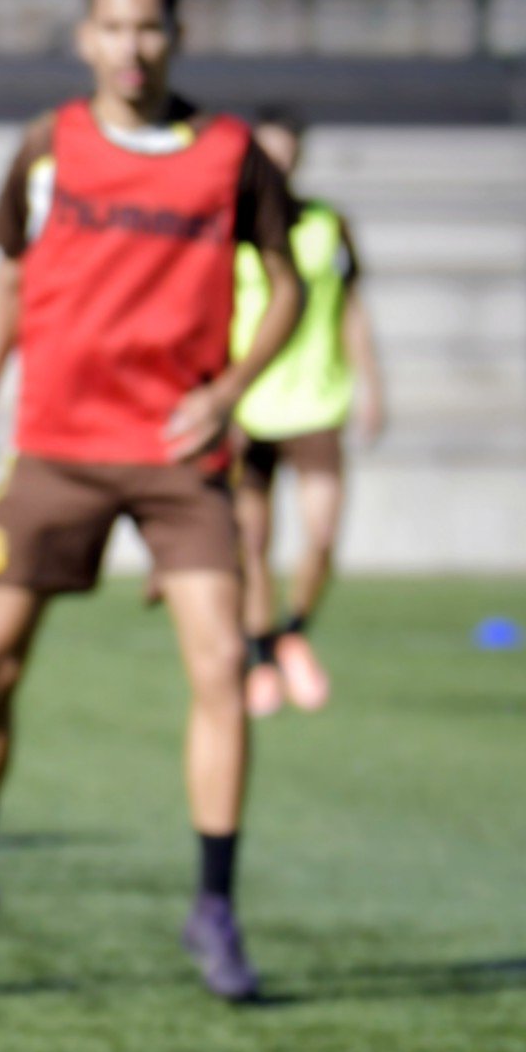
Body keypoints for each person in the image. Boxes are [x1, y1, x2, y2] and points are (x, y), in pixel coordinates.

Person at [0, 0, 301, 1002]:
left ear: (175, 35)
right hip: (54, 447)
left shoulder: (230, 153)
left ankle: (215, 906)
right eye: (113, 28)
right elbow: (9, 280)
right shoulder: (49, 145)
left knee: (221, 671)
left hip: (180, 461)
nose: (132, 47)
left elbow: (290, 284)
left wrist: (230, 391)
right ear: (84, 39)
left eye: (149, 28)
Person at [228, 108, 383, 717]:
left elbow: (352, 309)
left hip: (316, 403)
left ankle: (293, 632)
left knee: (321, 534)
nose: (278, 163)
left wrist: (373, 384)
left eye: (286, 151)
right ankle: (262, 656)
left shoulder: (327, 225)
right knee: (253, 541)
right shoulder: (230, 225)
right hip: (248, 406)